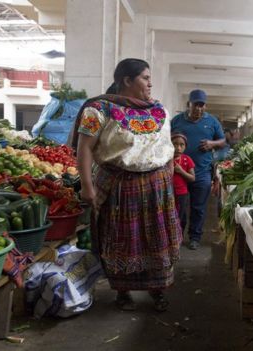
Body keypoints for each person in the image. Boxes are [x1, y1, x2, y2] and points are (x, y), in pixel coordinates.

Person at [74, 58, 182, 312]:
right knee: (123, 239)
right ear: (126, 80)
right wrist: (87, 186)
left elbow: (165, 147)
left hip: (157, 187)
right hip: (120, 187)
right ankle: (122, 292)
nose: (150, 83)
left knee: (157, 239)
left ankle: (158, 290)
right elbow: (84, 149)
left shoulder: (159, 110)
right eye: (145, 77)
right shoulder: (99, 109)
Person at [171, 89, 226, 250]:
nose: (199, 108)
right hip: (178, 171)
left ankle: (195, 237)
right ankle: (177, 235)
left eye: (202, 105)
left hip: (201, 172)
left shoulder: (213, 121)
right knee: (177, 206)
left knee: (198, 207)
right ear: (189, 104)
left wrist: (212, 144)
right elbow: (165, 139)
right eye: (196, 105)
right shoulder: (177, 121)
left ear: (205, 106)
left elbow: (222, 141)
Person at [171, 133, 195, 233]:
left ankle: (178, 237)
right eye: (175, 144)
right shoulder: (166, 160)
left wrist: (181, 171)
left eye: (182, 145)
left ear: (185, 146)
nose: (178, 148)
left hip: (182, 194)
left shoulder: (187, 159)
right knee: (169, 215)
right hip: (168, 193)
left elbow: (192, 178)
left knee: (181, 216)